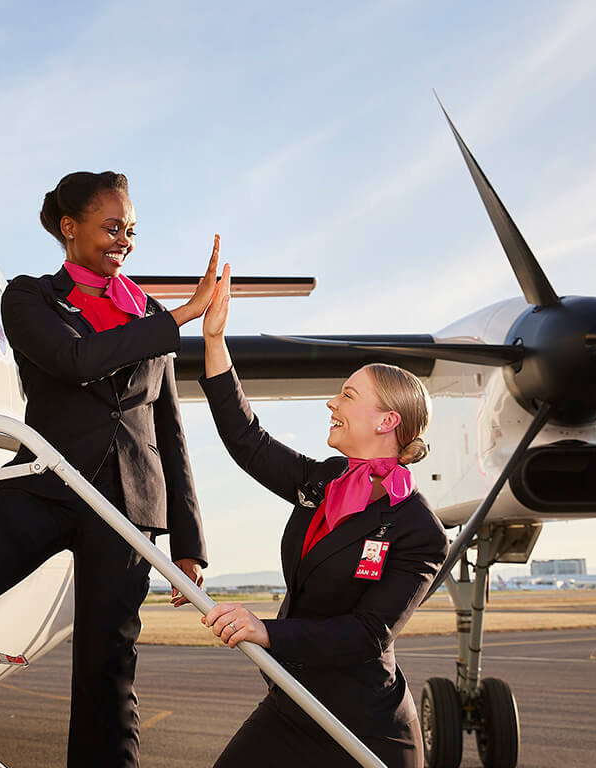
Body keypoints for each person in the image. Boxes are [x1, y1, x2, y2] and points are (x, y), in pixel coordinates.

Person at [0, 171, 216, 768]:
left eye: (130, 229)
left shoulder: (147, 314)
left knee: (107, 664)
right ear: (69, 227)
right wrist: (180, 317)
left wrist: (190, 543)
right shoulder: (29, 299)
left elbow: (170, 432)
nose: (122, 239)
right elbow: (74, 361)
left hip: (129, 502)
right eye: (110, 227)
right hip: (46, 485)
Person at [199, 264, 448, 768]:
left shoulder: (421, 531)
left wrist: (266, 631)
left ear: (386, 421)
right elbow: (248, 442)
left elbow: (368, 633)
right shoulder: (325, 479)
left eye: (348, 395)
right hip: (293, 706)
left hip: (365, 728)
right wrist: (215, 340)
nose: (331, 402)